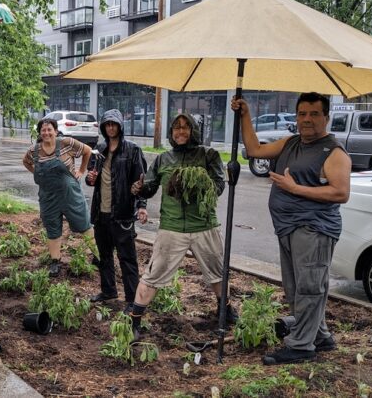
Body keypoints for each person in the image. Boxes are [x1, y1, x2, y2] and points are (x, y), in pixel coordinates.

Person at [232, 93, 351, 365]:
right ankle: (320, 337)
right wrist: (245, 115)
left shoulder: (334, 152)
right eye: (302, 113)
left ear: (326, 117)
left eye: (314, 114)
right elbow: (254, 150)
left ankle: (301, 346)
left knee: (310, 288)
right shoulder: (292, 142)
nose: (307, 119)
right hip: (287, 228)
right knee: (296, 288)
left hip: (313, 229)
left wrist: (295, 189)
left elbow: (340, 193)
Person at [128, 114, 236, 337]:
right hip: (172, 226)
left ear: (194, 131)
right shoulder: (163, 159)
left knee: (217, 272)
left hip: (204, 225)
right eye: (176, 128)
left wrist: (198, 187)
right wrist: (139, 188)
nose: (181, 132)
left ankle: (225, 311)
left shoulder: (208, 155)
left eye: (186, 128)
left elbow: (218, 185)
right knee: (153, 273)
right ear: (171, 132)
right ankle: (135, 322)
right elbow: (149, 187)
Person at [85, 110, 147, 312]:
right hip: (101, 213)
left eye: (114, 124)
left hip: (122, 214)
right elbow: (90, 178)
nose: (111, 128)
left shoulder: (132, 150)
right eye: (107, 124)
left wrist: (142, 207)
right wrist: (90, 179)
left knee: (127, 258)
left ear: (120, 126)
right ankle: (108, 290)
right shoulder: (100, 148)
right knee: (104, 256)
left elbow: (141, 183)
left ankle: (132, 300)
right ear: (103, 127)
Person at [22, 118, 93, 277]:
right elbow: (25, 161)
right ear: (39, 133)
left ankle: (97, 256)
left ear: (55, 131)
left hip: (70, 195)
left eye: (49, 129)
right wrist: (35, 172)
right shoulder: (34, 150)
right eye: (43, 130)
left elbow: (88, 150)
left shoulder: (66, 143)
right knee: (52, 228)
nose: (46, 133)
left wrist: (82, 170)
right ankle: (55, 261)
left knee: (84, 223)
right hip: (48, 197)